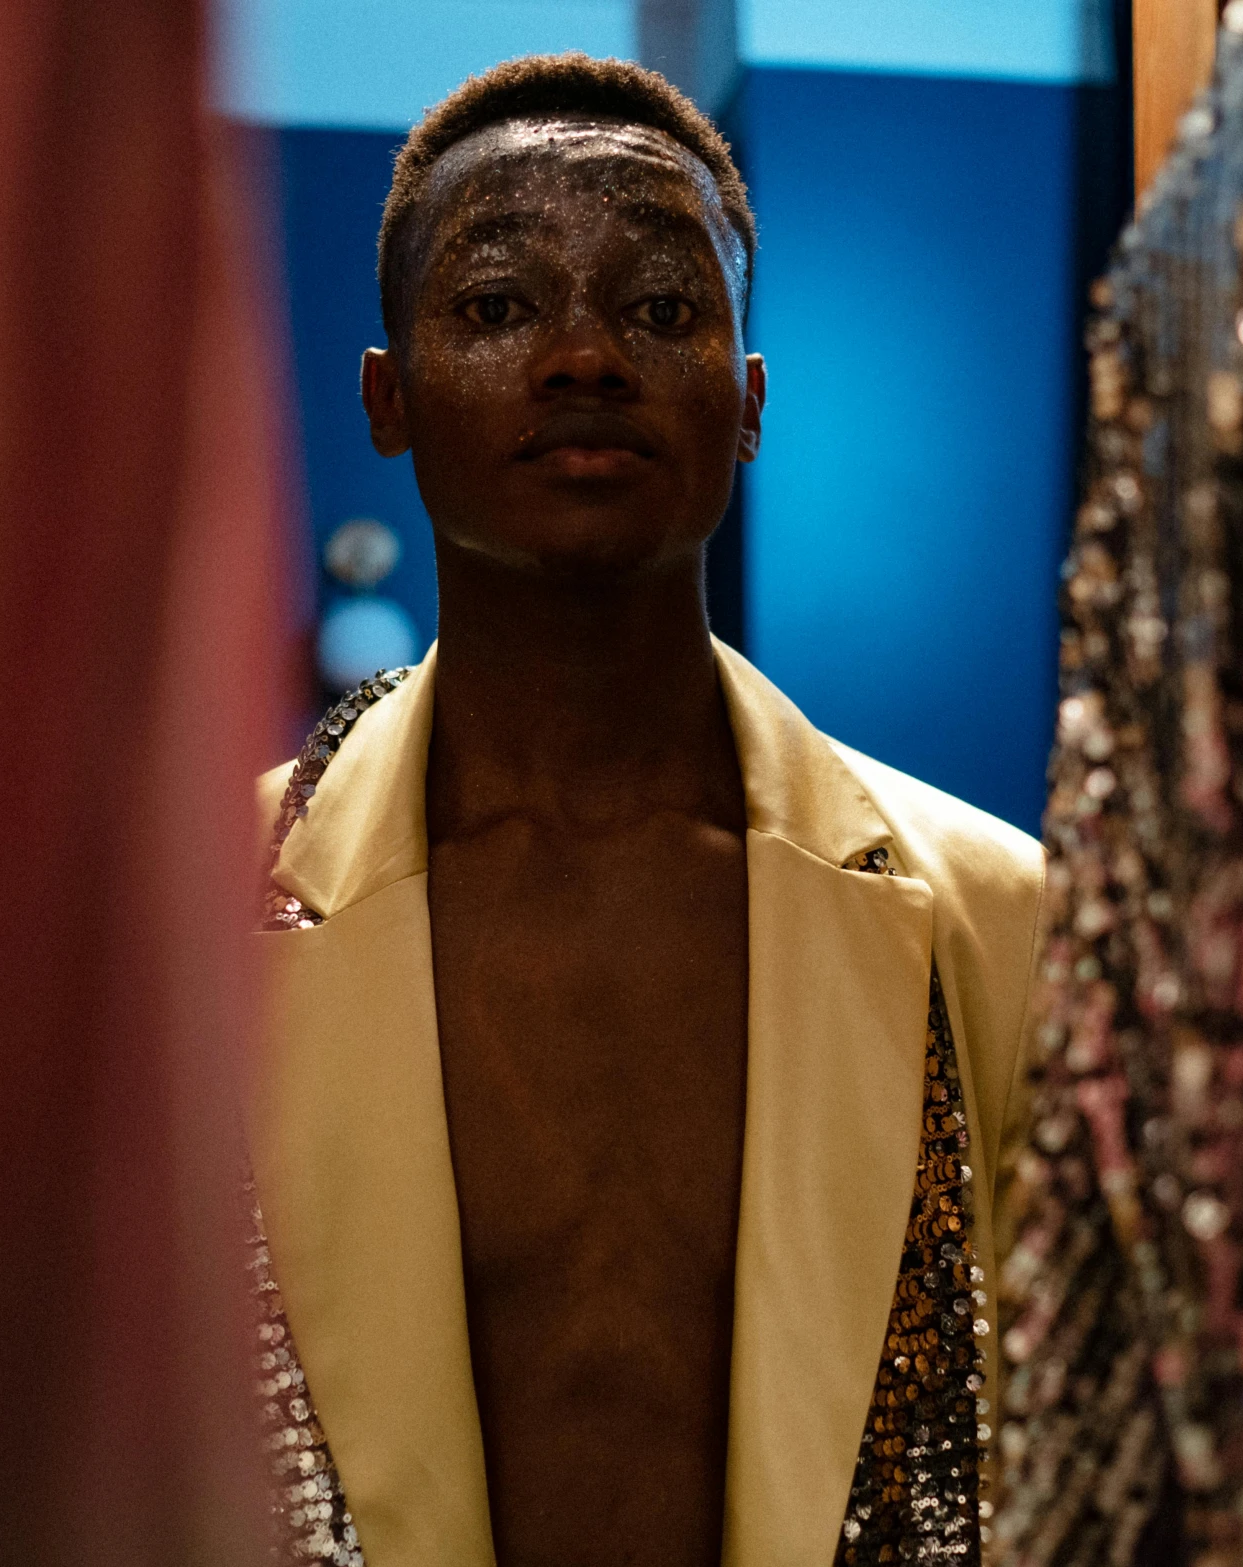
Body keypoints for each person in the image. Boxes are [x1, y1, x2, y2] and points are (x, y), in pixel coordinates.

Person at [250, 53, 1042, 1567]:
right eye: (496, 305)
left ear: (746, 401)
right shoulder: (200, 920)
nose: (583, 357)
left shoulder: (993, 918)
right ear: (386, 397)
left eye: (663, 308)